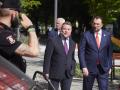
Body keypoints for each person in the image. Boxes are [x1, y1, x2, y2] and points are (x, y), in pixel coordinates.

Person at [0, 0, 39, 72]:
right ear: (14, 14)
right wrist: (30, 27)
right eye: (19, 14)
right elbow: (34, 51)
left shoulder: (4, 31)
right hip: (9, 81)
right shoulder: (3, 34)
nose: (19, 18)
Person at [79, 16, 112, 90]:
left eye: (98, 24)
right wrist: (83, 66)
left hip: (103, 69)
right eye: (94, 23)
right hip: (89, 69)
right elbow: (81, 52)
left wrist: (109, 66)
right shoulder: (86, 35)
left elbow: (109, 52)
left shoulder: (107, 35)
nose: (95, 26)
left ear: (102, 25)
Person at [43, 21, 76, 90]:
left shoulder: (72, 43)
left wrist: (73, 68)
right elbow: (47, 57)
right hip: (55, 73)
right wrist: (46, 71)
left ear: (71, 31)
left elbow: (72, 57)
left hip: (68, 74)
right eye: (64, 29)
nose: (66, 31)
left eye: (68, 29)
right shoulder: (52, 40)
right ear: (61, 29)